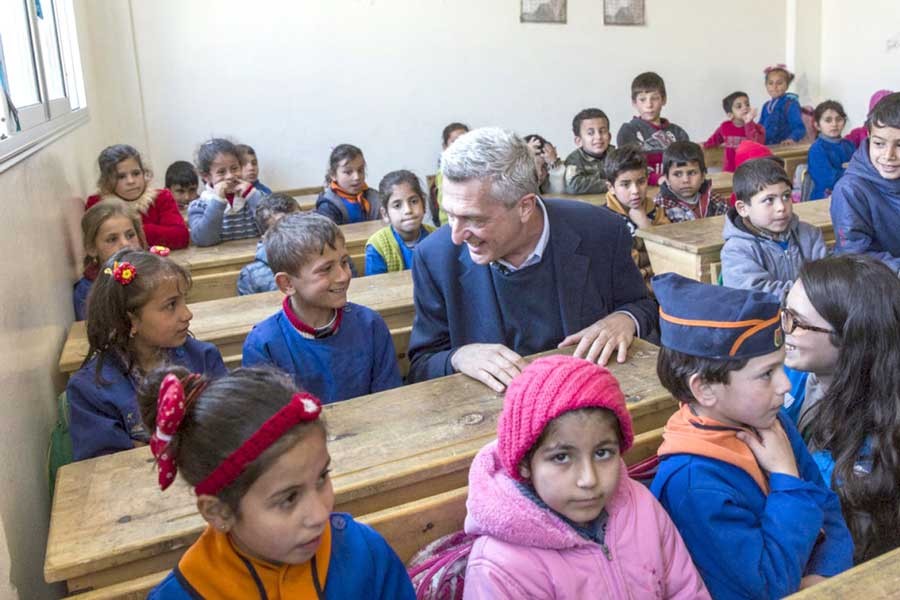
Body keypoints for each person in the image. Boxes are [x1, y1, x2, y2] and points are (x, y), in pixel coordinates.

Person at [650, 272, 854, 599]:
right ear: (704, 389)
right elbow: (766, 588)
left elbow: (830, 513)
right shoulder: (692, 483)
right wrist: (786, 477)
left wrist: (824, 576)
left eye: (781, 367)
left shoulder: (772, 423)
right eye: (766, 375)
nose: (785, 385)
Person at [407, 127, 657, 390]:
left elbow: (643, 305)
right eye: (451, 215)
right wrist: (458, 357)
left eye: (474, 219)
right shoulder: (435, 256)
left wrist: (625, 319)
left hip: (589, 399)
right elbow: (423, 364)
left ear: (525, 206)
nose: (456, 236)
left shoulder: (602, 230)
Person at [140, 367, 415, 599]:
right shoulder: (187, 592)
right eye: (289, 499)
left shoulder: (365, 554)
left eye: (322, 477)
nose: (320, 514)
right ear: (219, 512)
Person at [463, 355, 710, 599]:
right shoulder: (501, 567)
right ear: (526, 463)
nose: (589, 479)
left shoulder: (642, 508)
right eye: (561, 457)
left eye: (602, 453)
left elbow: (687, 591)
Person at [781, 255, 900, 563]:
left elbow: (852, 547)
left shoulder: (883, 436)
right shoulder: (789, 375)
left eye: (796, 322)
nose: (784, 330)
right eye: (784, 314)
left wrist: (783, 471)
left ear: (851, 337)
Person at [67, 249, 226, 461]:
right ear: (130, 320)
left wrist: (148, 446)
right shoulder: (89, 390)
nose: (187, 314)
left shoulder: (204, 357)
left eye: (183, 301)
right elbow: (108, 467)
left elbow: (228, 429)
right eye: (171, 305)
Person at [242, 212, 401, 403]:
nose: (343, 276)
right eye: (326, 269)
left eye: (344, 262)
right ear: (287, 284)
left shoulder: (370, 324)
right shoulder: (263, 344)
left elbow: (389, 401)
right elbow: (268, 423)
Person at [721, 158, 826, 295]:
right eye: (769, 200)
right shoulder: (736, 250)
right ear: (743, 209)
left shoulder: (809, 234)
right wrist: (811, 292)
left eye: (786, 196)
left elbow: (828, 278)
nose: (781, 207)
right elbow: (756, 294)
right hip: (764, 316)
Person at [830, 92, 900, 274]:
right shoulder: (850, 190)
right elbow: (856, 255)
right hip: (875, 284)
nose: (888, 155)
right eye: (879, 144)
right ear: (868, 136)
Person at [85, 144, 189, 249]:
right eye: (121, 177)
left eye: (136, 173)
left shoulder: (161, 197)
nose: (131, 181)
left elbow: (181, 237)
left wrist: (136, 229)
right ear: (106, 181)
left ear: (144, 173)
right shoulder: (98, 204)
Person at [602, 145, 670, 286]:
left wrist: (645, 225)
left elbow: (669, 253)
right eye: (625, 184)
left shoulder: (656, 211)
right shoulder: (604, 219)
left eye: (641, 182)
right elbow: (624, 264)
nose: (635, 191)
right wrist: (648, 249)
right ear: (611, 187)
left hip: (661, 284)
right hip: (628, 289)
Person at [74, 200, 146, 320]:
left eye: (130, 235)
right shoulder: (87, 292)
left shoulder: (153, 274)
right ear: (92, 248)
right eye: (112, 239)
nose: (125, 244)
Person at [616, 72, 689, 186]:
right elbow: (629, 167)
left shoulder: (678, 132)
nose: (649, 105)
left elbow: (686, 164)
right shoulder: (629, 131)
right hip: (640, 192)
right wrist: (657, 179)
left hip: (676, 189)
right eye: (642, 99)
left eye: (654, 98)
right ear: (634, 103)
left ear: (664, 100)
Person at [188, 138, 265, 246]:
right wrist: (218, 201)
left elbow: (274, 228)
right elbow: (204, 240)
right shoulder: (199, 205)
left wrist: (252, 196)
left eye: (234, 168)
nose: (230, 176)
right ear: (206, 176)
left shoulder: (254, 196)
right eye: (221, 172)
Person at [364, 170, 435, 275]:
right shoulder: (377, 247)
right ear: (385, 214)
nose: (408, 210)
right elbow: (376, 287)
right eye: (397, 205)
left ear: (423, 205)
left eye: (414, 201)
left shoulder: (436, 238)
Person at [237, 193, 300, 295]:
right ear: (266, 238)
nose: (296, 232)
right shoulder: (252, 275)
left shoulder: (319, 258)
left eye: (299, 222)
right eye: (283, 228)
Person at [654, 141, 728, 223]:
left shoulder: (715, 200)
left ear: (703, 176)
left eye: (692, 173)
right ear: (667, 179)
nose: (686, 180)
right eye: (677, 174)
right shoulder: (661, 206)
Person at [315, 144, 380, 225]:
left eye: (360, 170)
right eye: (348, 172)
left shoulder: (375, 197)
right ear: (333, 175)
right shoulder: (328, 206)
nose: (356, 177)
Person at [703, 91, 766, 172]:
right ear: (730, 115)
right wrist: (704, 145)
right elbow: (714, 139)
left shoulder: (757, 128)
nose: (745, 108)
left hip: (750, 170)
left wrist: (748, 123)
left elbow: (755, 144)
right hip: (730, 170)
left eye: (747, 104)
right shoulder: (725, 126)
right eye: (739, 106)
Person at [807, 100, 855, 200]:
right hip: (824, 198)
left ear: (844, 122)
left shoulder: (849, 145)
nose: (834, 124)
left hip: (850, 194)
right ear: (817, 125)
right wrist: (851, 170)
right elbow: (828, 180)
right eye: (828, 120)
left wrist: (846, 170)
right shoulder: (817, 149)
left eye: (839, 119)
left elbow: (864, 170)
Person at [563, 108, 613, 195]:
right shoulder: (574, 159)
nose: (598, 137)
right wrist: (610, 184)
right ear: (578, 141)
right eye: (590, 133)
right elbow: (574, 186)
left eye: (602, 131)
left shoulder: (616, 155)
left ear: (609, 137)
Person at [432, 122, 470, 226]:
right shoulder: (444, 171)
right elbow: (445, 203)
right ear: (445, 147)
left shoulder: (475, 167)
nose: (461, 146)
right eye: (455, 142)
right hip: (449, 221)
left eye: (465, 141)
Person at [759, 64, 806, 145]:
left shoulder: (790, 104)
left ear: (787, 86)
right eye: (770, 83)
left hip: (783, 149)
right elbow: (760, 128)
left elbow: (799, 128)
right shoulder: (766, 105)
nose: (774, 87)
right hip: (767, 148)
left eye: (779, 83)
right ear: (766, 85)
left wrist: (791, 139)